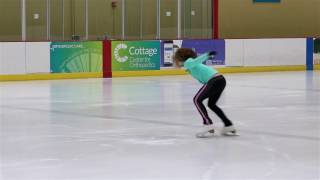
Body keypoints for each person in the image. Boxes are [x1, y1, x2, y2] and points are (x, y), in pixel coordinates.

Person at [174, 48, 238, 138]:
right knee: (212, 105)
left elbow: (195, 61)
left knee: (197, 100)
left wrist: (207, 55)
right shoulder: (192, 65)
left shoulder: (188, 62)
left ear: (180, 57)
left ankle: (208, 124)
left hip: (214, 80)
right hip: (220, 80)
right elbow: (197, 65)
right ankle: (228, 125)